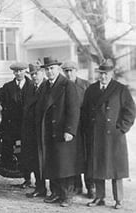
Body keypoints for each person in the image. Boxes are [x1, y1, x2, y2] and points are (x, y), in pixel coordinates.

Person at [82, 61, 135, 210]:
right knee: (97, 167)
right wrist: (88, 130)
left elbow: (130, 111)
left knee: (115, 169)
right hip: (96, 135)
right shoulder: (91, 90)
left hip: (114, 136)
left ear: (111, 74)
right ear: (98, 73)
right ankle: (100, 197)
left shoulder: (120, 89)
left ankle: (118, 200)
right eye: (101, 73)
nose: (103, 76)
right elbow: (85, 111)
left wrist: (121, 128)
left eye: (106, 73)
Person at [36, 57, 82, 207]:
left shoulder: (67, 85)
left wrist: (70, 130)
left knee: (65, 164)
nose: (49, 72)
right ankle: (55, 192)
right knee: (52, 163)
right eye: (47, 69)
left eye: (52, 68)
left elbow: (74, 110)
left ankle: (67, 195)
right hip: (48, 131)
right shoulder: (44, 86)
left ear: (58, 69)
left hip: (63, 131)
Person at [0, 62, 33, 188]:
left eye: (21, 71)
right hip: (11, 126)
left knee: (27, 152)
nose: (18, 73)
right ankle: (16, 172)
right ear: (13, 73)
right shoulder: (8, 87)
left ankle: (29, 179)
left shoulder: (32, 86)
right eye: (16, 71)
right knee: (11, 150)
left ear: (25, 71)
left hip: (27, 126)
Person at [61, 60, 94, 198]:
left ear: (76, 70)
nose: (69, 73)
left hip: (85, 128)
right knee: (73, 157)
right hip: (70, 128)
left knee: (87, 157)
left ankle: (91, 186)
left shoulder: (86, 85)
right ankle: (76, 185)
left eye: (71, 70)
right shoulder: (62, 86)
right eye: (66, 71)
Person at [21, 63, 48, 198]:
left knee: (45, 161)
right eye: (32, 74)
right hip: (31, 131)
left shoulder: (47, 87)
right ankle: (40, 187)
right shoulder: (30, 88)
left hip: (43, 131)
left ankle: (51, 190)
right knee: (35, 161)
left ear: (42, 73)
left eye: (36, 74)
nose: (34, 77)